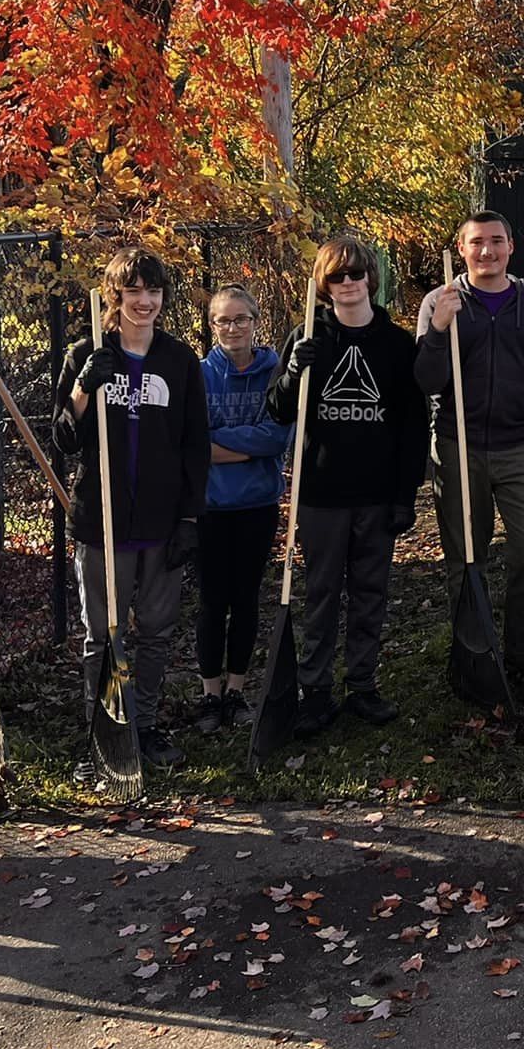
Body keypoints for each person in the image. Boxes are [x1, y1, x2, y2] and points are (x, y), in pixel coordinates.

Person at [55, 248, 210, 776]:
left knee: (158, 630)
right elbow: (64, 439)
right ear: (114, 296)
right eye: (133, 291)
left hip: (163, 521)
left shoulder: (180, 360)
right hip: (102, 522)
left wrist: (190, 518)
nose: (143, 302)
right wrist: (81, 391)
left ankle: (142, 722)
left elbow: (196, 445)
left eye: (153, 291)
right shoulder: (87, 353)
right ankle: (106, 732)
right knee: (104, 633)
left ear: (163, 298)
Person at [268, 239, 425, 734]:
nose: (350, 283)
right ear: (325, 284)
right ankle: (315, 689)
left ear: (371, 280)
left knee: (370, 592)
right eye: (339, 277)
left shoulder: (397, 344)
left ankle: (362, 684)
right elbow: (277, 409)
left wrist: (405, 496)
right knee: (320, 594)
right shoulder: (308, 335)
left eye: (358, 275)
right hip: (321, 495)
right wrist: (295, 371)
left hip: (376, 494)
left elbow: (412, 427)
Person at [415, 211, 524, 685]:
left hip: (520, 446)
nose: (487, 251)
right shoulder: (441, 301)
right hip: (458, 445)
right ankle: (474, 651)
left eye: (496, 241)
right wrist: (440, 330)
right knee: (466, 556)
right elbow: (425, 379)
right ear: (461, 248)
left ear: (510, 248)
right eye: (477, 242)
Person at [196, 284, 293, 735]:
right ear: (211, 326)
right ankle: (209, 694)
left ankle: (237, 689)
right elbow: (194, 446)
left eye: (241, 319)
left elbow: (276, 438)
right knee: (213, 601)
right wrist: (246, 444)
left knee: (247, 597)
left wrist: (223, 443)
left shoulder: (277, 372)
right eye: (223, 320)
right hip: (211, 507)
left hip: (257, 503)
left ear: (256, 322)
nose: (232, 328)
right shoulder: (199, 375)